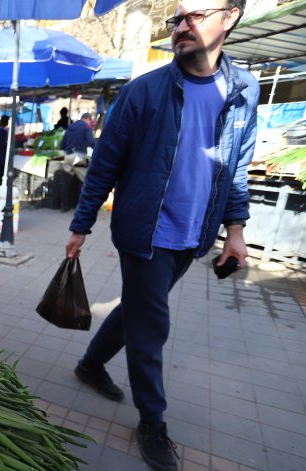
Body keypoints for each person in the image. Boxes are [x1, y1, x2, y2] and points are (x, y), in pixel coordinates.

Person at [65, 2, 255, 470]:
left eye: (194, 15)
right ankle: (152, 420)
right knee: (152, 326)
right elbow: (103, 165)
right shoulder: (143, 92)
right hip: (145, 232)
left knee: (137, 310)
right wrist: (80, 225)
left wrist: (235, 230)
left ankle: (90, 365)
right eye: (177, 19)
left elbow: (236, 169)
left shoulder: (244, 91)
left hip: (195, 236)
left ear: (229, 16)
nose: (181, 27)